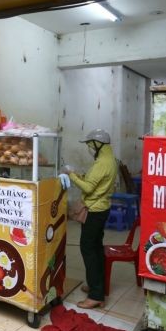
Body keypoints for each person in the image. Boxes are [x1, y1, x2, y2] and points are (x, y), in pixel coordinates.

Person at [59, 128, 117, 309]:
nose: (89, 148)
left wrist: (71, 175)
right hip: (102, 209)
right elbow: (95, 182)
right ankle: (95, 285)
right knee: (96, 248)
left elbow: (89, 188)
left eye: (90, 145)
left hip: (95, 211)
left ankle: (96, 295)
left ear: (98, 144)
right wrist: (81, 175)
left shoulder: (102, 163)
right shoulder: (108, 159)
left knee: (89, 250)